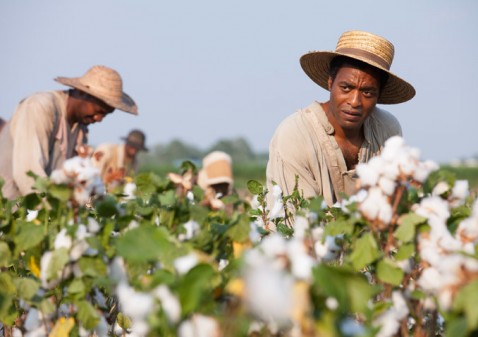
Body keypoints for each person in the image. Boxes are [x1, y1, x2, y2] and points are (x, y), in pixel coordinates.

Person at [266, 30, 415, 207]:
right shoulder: (295, 134)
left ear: (379, 95)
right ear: (331, 83)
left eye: (367, 92)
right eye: (346, 88)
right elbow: (300, 222)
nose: (354, 101)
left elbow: (394, 200)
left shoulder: (386, 129)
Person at [0, 65, 138, 199]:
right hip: (10, 208)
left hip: (40, 210)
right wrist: (49, 212)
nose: (99, 119)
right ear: (82, 92)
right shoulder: (40, 107)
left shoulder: (80, 129)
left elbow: (72, 180)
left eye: (105, 115)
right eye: (98, 111)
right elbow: (28, 174)